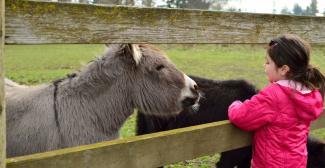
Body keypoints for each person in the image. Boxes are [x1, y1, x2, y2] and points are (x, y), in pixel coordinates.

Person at [228, 34, 325, 168]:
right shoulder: (310, 93)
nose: (265, 65)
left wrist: (235, 104)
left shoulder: (274, 95)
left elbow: (241, 116)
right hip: (298, 163)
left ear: (284, 69)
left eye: (268, 62)